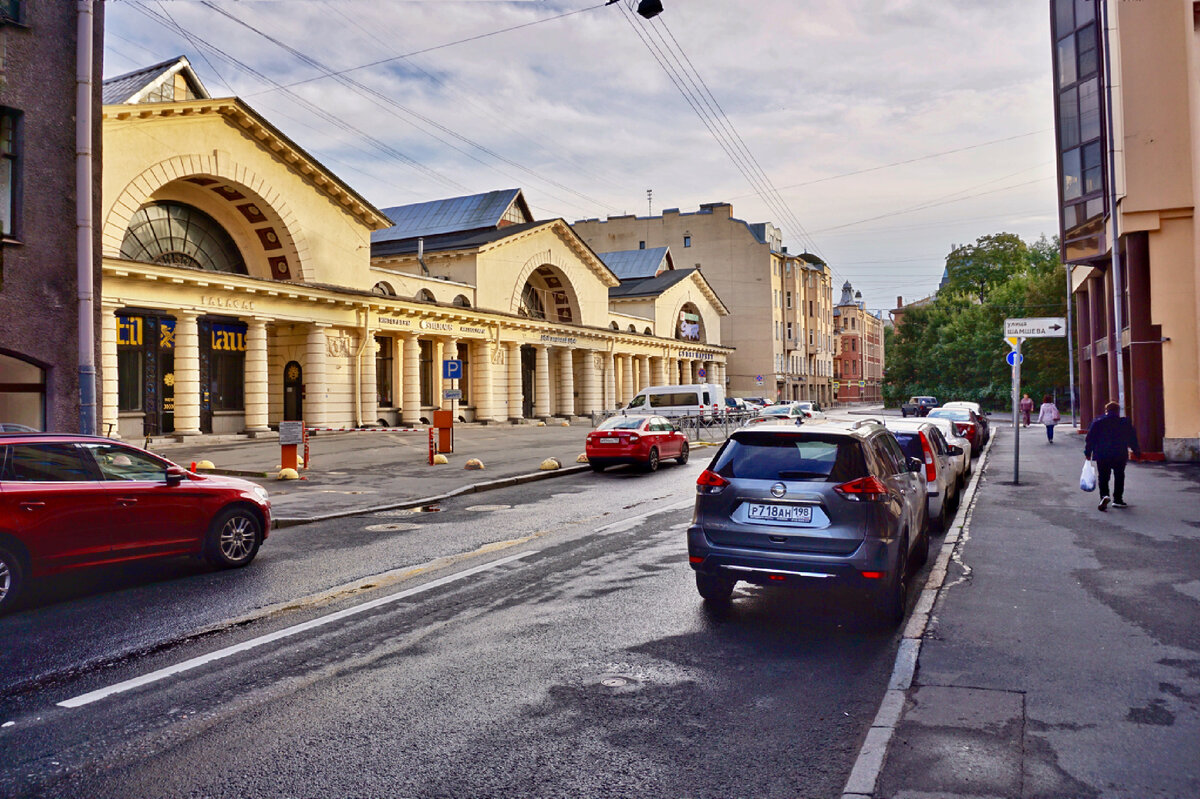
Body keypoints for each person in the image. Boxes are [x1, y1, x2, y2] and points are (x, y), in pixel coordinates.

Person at [1084, 400, 1141, 511]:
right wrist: (1136, 452)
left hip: (1102, 453)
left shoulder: (1098, 422)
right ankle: (1118, 500)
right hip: (1119, 453)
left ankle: (1104, 496)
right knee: (1119, 475)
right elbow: (1132, 438)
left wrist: (1087, 453)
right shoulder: (1124, 422)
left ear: (1106, 410)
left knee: (1104, 477)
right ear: (1118, 411)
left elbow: (1090, 438)